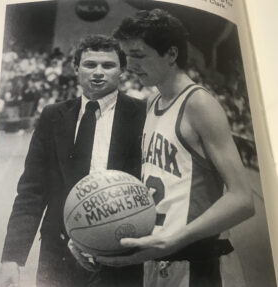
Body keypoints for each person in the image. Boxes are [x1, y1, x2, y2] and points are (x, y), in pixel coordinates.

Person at [95, 9, 255, 287]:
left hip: (201, 264)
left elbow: (242, 200)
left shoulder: (199, 104)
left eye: (139, 55)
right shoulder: (153, 102)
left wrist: (173, 240)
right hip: (160, 259)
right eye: (127, 56)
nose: (130, 65)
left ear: (171, 54)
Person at [0, 35, 145, 287]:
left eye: (108, 65)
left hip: (122, 253)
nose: (98, 72)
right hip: (59, 254)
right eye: (90, 65)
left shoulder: (142, 113)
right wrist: (12, 257)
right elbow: (31, 190)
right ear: (76, 68)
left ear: (122, 70)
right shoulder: (52, 115)